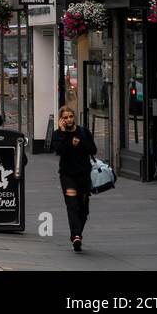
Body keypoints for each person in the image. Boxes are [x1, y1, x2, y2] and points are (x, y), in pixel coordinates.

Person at [49, 105, 97, 252]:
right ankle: (76, 235)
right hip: (67, 175)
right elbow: (59, 150)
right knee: (72, 205)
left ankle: (78, 233)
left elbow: (93, 150)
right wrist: (64, 135)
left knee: (84, 209)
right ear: (61, 120)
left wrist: (80, 143)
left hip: (83, 175)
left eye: (71, 117)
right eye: (65, 117)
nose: (69, 120)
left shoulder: (83, 131)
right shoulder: (58, 134)